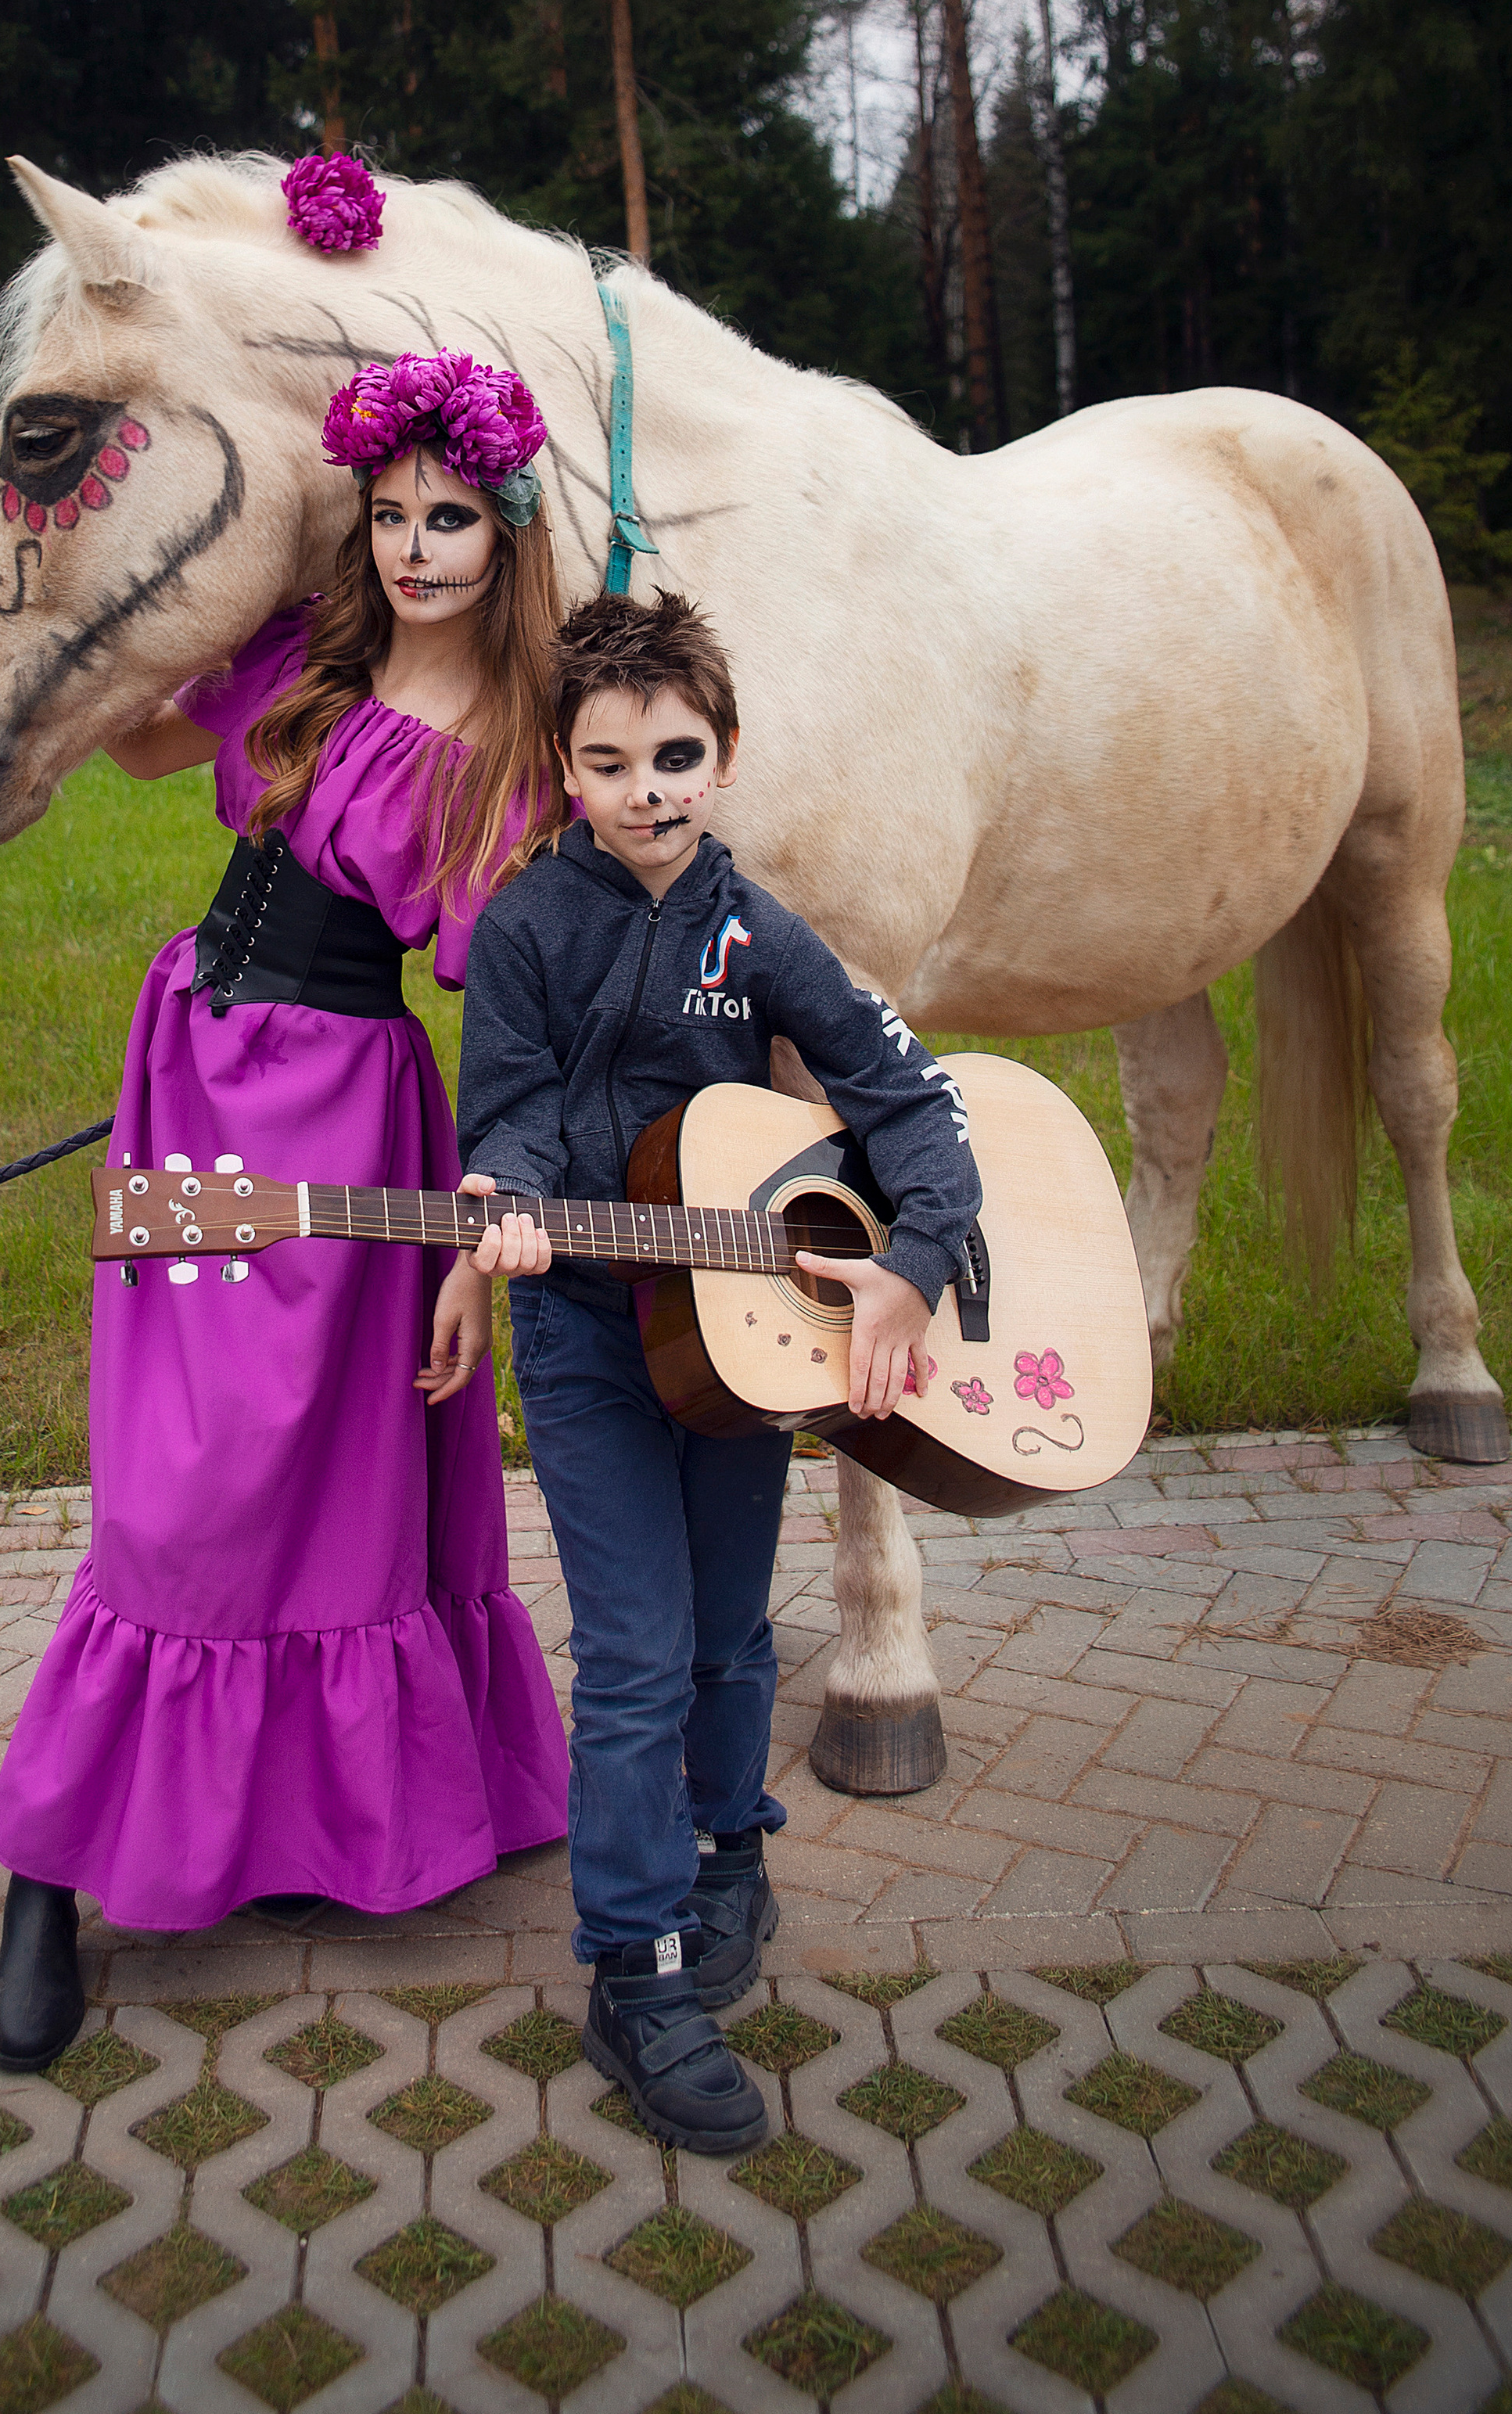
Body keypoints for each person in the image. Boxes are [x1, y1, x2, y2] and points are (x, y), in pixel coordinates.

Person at [0, 351, 573, 2069]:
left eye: (448, 518)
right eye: (388, 518)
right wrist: (69, 665)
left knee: (290, 1477)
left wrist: (480, 1247)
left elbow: (518, 1030)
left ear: (504, 530)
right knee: (168, 1482)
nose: (413, 549)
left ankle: (298, 1817)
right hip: (187, 1071)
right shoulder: (307, 660)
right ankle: (49, 1867)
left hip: (342, 1123)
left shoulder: (513, 765)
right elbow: (154, 745)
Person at [453, 590, 984, 2154]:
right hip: (588, 1337)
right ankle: (634, 1966)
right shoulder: (521, 929)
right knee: (632, 1651)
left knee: (731, 1629)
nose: (647, 790)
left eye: (675, 756)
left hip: (739, 1337)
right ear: (563, 767)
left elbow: (908, 1098)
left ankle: (728, 1843)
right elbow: (511, 1106)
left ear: (724, 754)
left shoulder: (759, 933)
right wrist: (505, 1197)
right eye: (609, 762)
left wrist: (911, 1258)